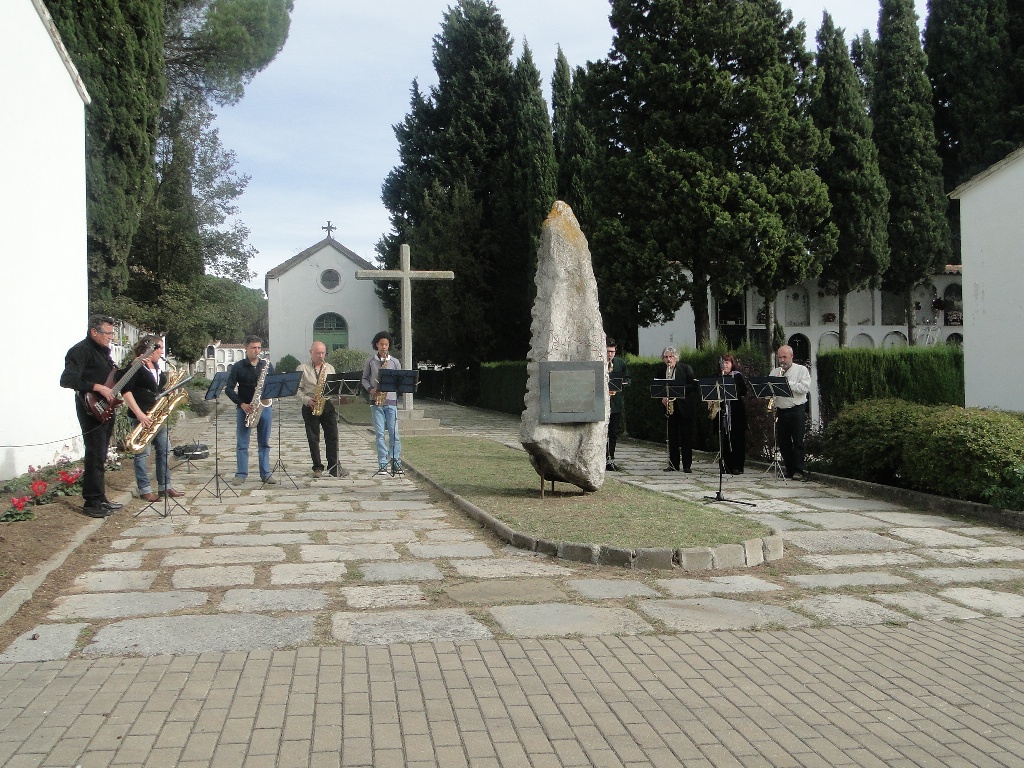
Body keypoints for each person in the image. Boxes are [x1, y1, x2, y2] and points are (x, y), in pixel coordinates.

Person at [59, 314, 125, 518]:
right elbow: (67, 379)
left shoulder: (103, 352)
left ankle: (100, 498)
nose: (110, 338)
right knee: (94, 454)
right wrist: (96, 387)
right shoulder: (79, 351)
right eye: (107, 333)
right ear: (93, 332)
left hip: (106, 408)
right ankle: (91, 502)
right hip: (90, 409)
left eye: (112, 334)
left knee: (101, 454)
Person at [120, 335, 184, 501]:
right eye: (160, 348)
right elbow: (125, 391)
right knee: (142, 453)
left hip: (156, 416)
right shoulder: (136, 366)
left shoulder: (155, 366)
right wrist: (139, 415)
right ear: (150, 348)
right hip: (141, 416)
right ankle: (145, 489)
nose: (162, 351)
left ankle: (165, 486)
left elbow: (157, 388)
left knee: (164, 450)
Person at [225, 335, 275, 484]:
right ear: (246, 348)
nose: (257, 351)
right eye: (253, 347)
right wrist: (241, 404)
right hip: (245, 408)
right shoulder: (238, 367)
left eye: (259, 347)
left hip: (264, 407)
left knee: (264, 442)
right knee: (242, 443)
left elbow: (272, 385)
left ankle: (265, 473)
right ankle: (241, 474)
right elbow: (229, 389)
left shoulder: (266, 365)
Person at [296, 341, 348, 478]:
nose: (320, 355)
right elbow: (296, 390)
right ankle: (317, 467)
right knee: (313, 438)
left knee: (332, 436)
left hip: (327, 405)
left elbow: (335, 387)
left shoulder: (329, 368)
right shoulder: (302, 368)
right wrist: (307, 400)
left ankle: (333, 466)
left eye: (323, 353)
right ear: (311, 352)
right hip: (310, 405)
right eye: (317, 353)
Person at [770, 345, 812, 481]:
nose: (782, 360)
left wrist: (786, 383)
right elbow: (769, 391)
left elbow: (804, 388)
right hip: (781, 410)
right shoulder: (775, 372)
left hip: (797, 410)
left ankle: (799, 470)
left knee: (798, 441)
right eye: (780, 357)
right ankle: (789, 469)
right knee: (783, 442)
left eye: (784, 357)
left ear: (791, 357)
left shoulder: (801, 370)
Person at [361, 331, 401, 472]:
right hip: (376, 401)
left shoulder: (395, 362)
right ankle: (382, 462)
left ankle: (396, 461)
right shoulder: (371, 361)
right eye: (381, 344)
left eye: (386, 344)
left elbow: (399, 381)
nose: (384, 347)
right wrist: (371, 389)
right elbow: (364, 379)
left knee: (394, 433)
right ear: (376, 345)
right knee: (379, 433)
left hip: (390, 401)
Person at [660, 346, 695, 472]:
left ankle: (687, 465)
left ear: (676, 357)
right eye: (666, 357)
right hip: (670, 407)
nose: (669, 359)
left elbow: (692, 385)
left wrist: (679, 390)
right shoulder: (662, 370)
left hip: (683, 407)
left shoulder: (685, 368)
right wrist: (662, 397)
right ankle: (673, 464)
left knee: (686, 437)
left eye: (671, 356)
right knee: (672, 437)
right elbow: (658, 386)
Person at [713, 353, 748, 475]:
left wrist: (732, 390)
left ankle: (738, 466)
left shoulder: (737, 376)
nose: (725, 365)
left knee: (737, 439)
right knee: (724, 439)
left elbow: (743, 390)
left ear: (732, 364)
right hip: (723, 412)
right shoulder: (717, 377)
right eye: (723, 363)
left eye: (727, 362)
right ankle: (726, 465)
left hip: (736, 412)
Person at [605, 336, 630, 471]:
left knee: (613, 433)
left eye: (612, 352)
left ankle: (611, 459)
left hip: (615, 403)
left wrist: (622, 383)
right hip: (602, 403)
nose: (610, 354)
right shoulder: (600, 362)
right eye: (608, 351)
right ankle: (602, 458)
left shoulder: (620, 363)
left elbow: (628, 379)